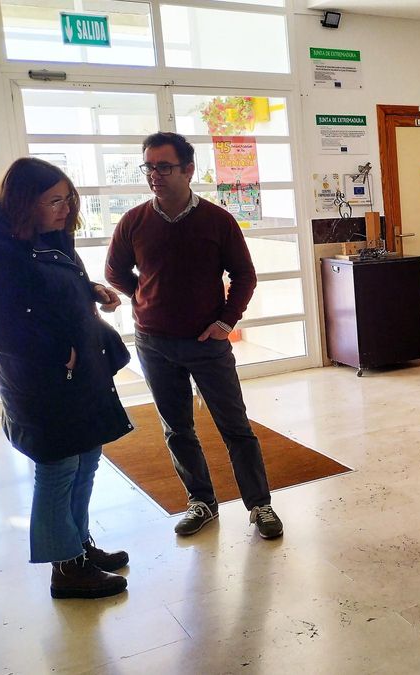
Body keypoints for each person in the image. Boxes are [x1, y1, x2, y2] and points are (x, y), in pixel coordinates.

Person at [0, 158, 133, 599]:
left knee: (87, 459)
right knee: (58, 469)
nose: (64, 208)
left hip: (77, 371)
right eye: (54, 200)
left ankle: (77, 545)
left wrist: (89, 289)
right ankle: (66, 569)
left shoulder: (46, 231)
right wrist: (62, 354)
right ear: (23, 202)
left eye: (68, 198)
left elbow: (48, 284)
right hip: (42, 379)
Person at [105, 132, 283, 539]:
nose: (154, 175)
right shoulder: (134, 220)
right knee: (177, 427)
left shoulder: (217, 220)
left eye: (163, 166)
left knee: (235, 426)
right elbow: (115, 271)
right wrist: (143, 297)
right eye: (148, 166)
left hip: (208, 344)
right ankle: (201, 502)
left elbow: (244, 276)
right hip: (154, 343)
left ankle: (260, 505)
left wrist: (225, 322)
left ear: (188, 170)